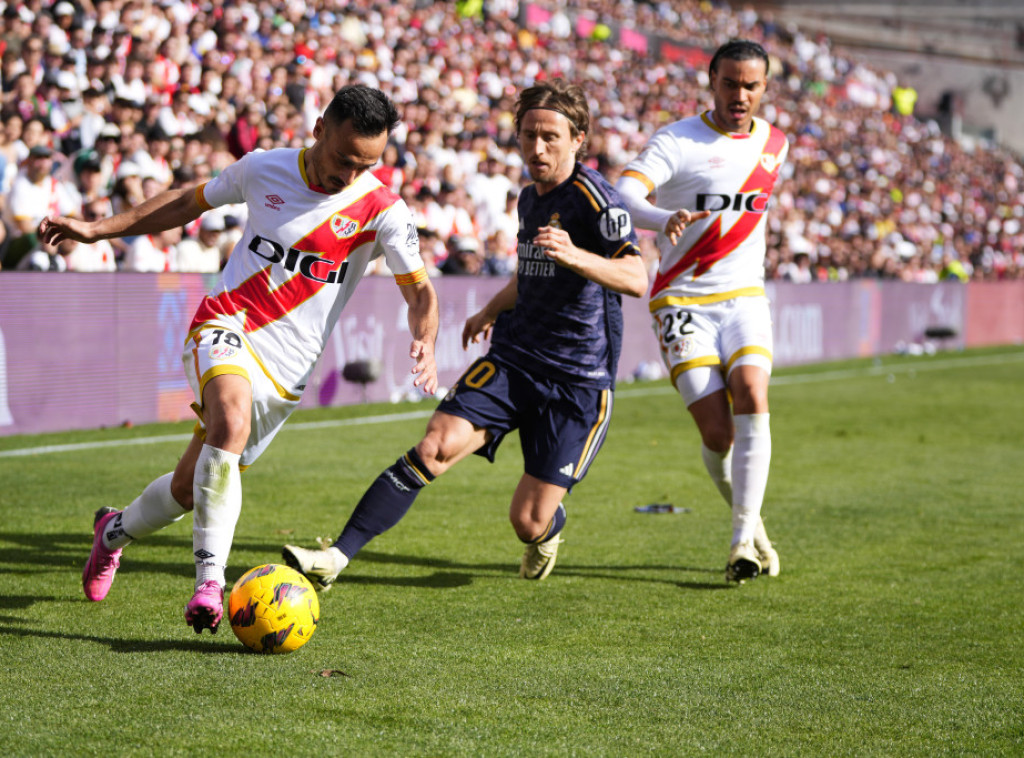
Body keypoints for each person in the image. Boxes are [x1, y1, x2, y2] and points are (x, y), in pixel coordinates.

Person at [38, 85, 439, 633]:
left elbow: (420, 292)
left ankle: (112, 532)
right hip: (226, 323)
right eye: (345, 160)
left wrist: (425, 335)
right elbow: (185, 201)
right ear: (320, 128)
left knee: (187, 489)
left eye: (365, 164)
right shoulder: (264, 169)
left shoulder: (382, 209)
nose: (350, 175)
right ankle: (210, 583)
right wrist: (97, 228)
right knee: (230, 419)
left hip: (288, 370)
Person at [282, 79, 647, 588]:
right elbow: (531, 271)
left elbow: (636, 277)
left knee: (528, 521)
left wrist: (576, 255)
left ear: (578, 138)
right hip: (516, 358)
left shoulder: (595, 199)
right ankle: (336, 557)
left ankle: (548, 530)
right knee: (434, 445)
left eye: (550, 137)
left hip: (578, 381)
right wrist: (492, 310)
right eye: (527, 135)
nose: (536, 148)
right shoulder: (527, 199)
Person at [615, 39, 789, 583]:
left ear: (764, 88)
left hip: (744, 297)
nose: (740, 95)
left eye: (751, 85)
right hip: (682, 300)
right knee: (718, 435)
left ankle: (739, 539)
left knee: (754, 394)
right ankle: (753, 524)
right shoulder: (678, 140)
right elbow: (624, 193)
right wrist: (659, 214)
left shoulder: (775, 144)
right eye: (730, 83)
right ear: (712, 80)